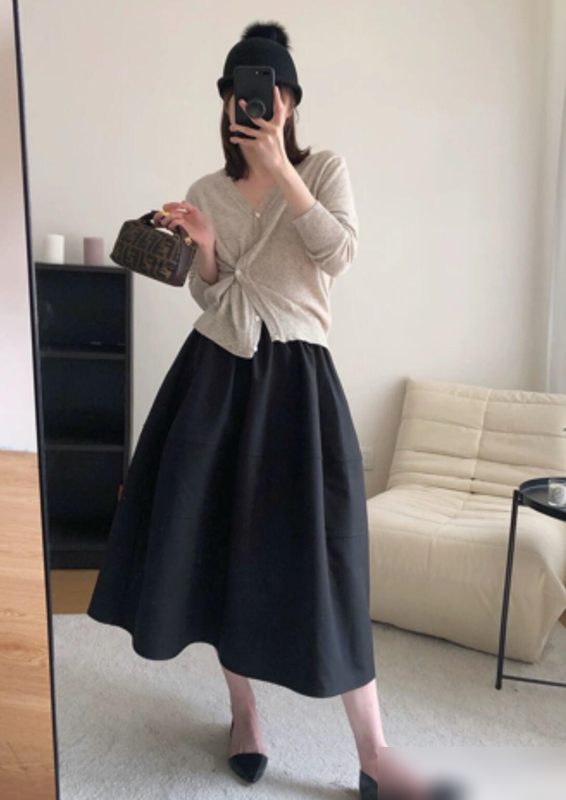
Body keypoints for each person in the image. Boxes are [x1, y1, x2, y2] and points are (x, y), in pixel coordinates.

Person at [87, 20, 464, 800]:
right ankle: (245, 713)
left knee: (330, 560)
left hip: (299, 385)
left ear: (289, 100)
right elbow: (212, 298)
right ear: (226, 100)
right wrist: (203, 245)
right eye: (239, 91)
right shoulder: (205, 191)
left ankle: (374, 750)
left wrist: (281, 169)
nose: (253, 103)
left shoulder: (323, 169)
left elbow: (337, 254)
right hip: (213, 380)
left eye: (269, 91)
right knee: (219, 542)